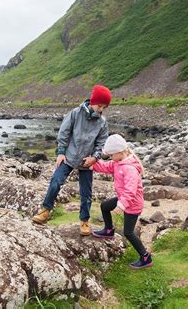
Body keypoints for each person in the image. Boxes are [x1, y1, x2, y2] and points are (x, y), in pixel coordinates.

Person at [32, 85, 111, 236]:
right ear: (93, 101)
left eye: (104, 107)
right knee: (55, 182)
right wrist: (61, 152)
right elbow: (64, 132)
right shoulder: (75, 113)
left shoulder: (102, 122)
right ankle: (45, 211)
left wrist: (94, 158)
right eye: (100, 106)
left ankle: (84, 221)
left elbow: (101, 143)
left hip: (86, 161)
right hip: (69, 157)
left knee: (86, 193)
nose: (101, 110)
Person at [91, 134, 152, 269]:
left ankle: (145, 257)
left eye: (111, 155)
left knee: (128, 233)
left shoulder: (129, 168)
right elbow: (105, 167)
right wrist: (92, 164)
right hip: (123, 198)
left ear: (119, 152)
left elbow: (130, 190)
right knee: (105, 206)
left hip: (133, 204)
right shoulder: (118, 162)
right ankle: (108, 230)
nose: (110, 158)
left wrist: (122, 205)